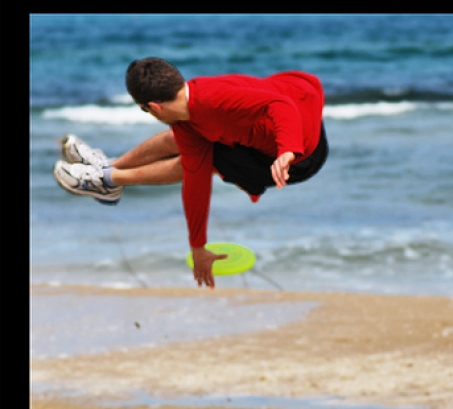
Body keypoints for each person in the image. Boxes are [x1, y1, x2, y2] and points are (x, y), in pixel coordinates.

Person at [54, 57, 329, 289]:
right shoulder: (191, 105)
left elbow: (280, 106)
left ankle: (108, 180)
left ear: (154, 107)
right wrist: (198, 246)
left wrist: (286, 149)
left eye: (143, 110)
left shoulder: (215, 101)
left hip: (301, 158)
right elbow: (195, 181)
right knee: (183, 141)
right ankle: (109, 168)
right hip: (299, 102)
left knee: (211, 154)